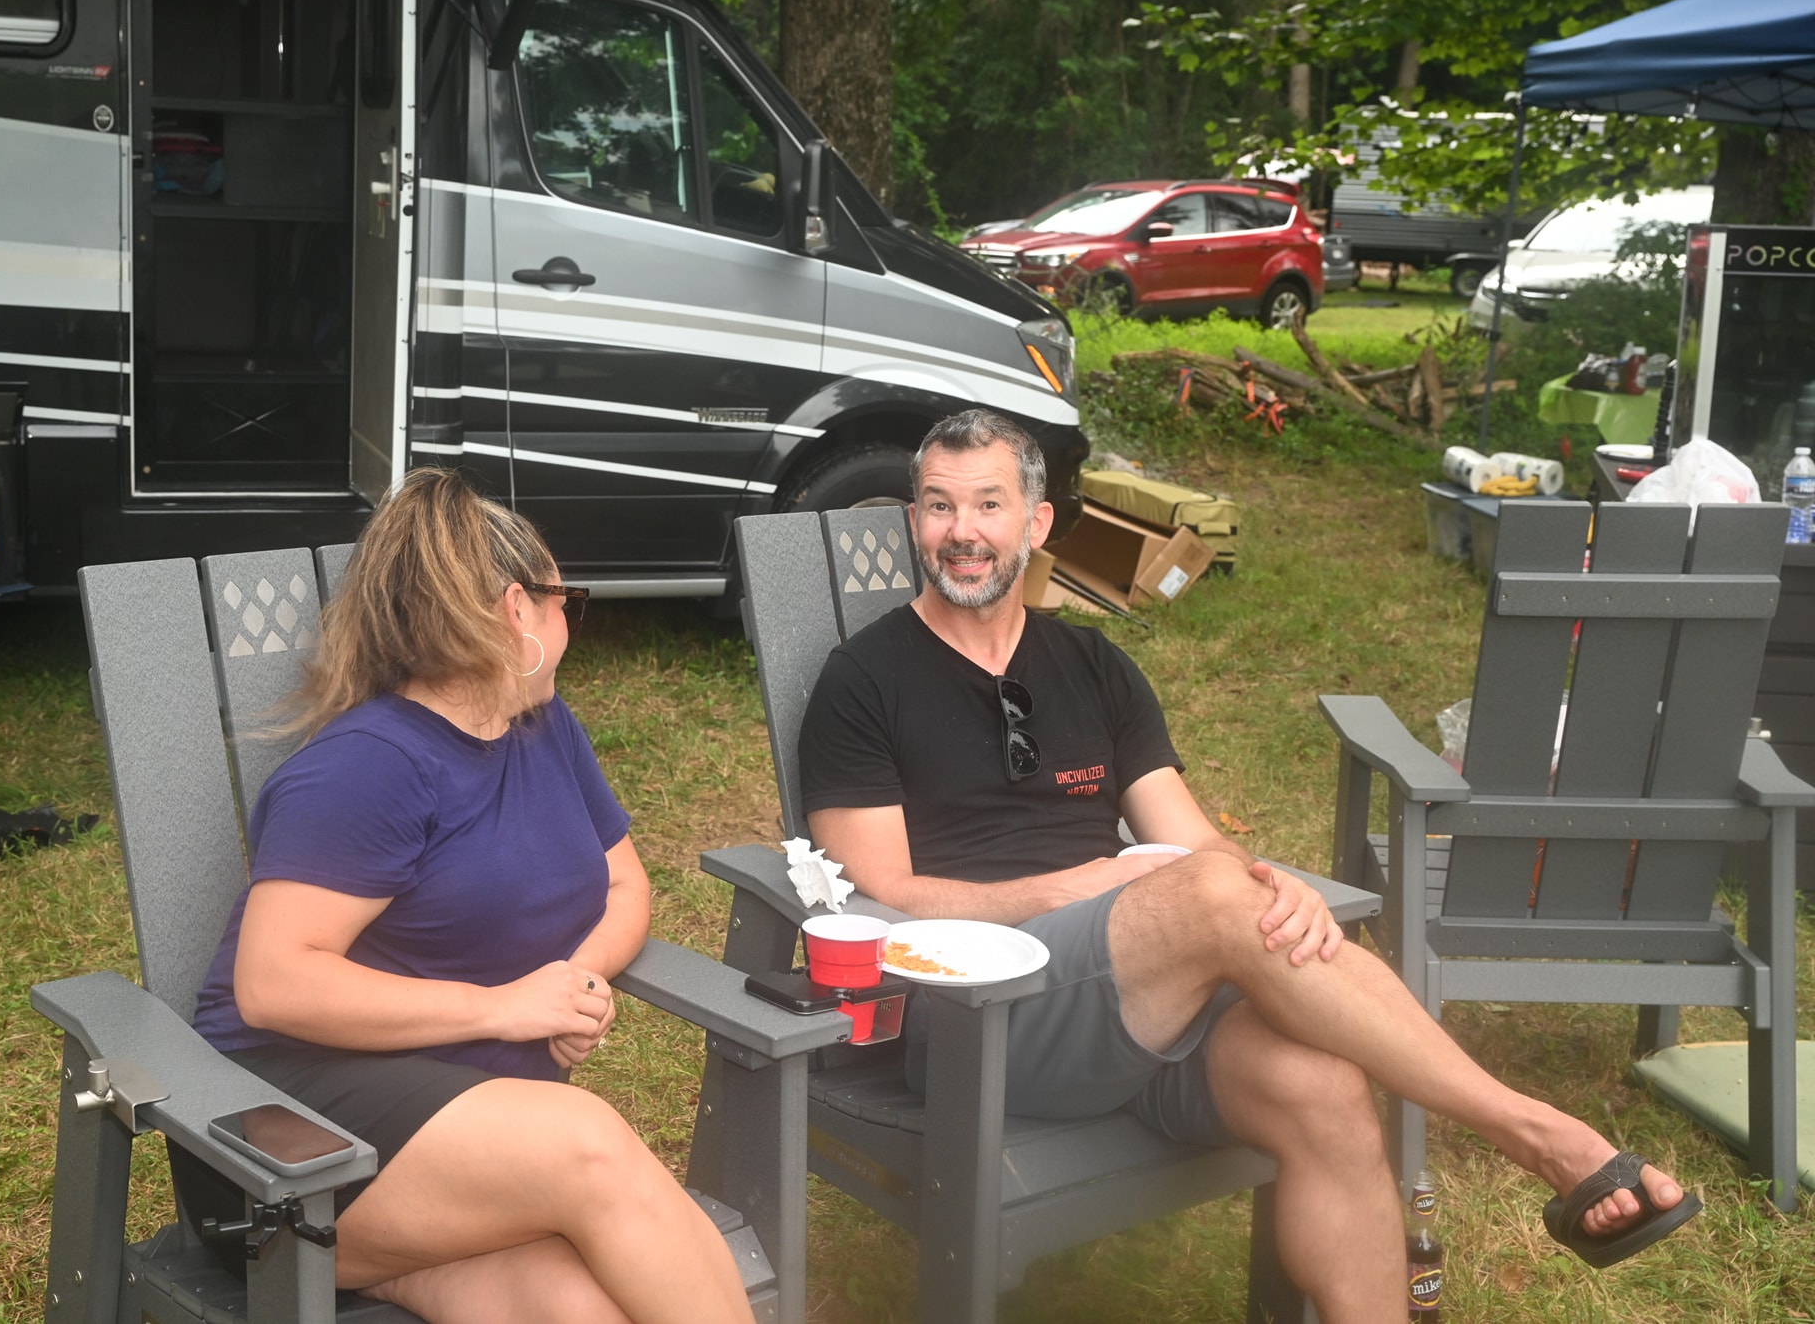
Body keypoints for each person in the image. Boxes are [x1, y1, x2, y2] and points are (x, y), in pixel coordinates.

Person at [797, 410, 1701, 1324]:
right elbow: (883, 895)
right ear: (914, 520)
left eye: (988, 504)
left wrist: (1273, 885)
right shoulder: (864, 681)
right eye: (939, 506)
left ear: (1035, 524)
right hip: (981, 1020)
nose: (962, 531)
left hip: (1144, 993)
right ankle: (1540, 1135)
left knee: (1327, 1090)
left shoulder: (1093, 663)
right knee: (1207, 894)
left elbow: (1194, 842)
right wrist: (1080, 889)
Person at [188, 468, 751, 1324]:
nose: (574, 624)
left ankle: (393, 1271)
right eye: (571, 601)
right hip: (290, 1140)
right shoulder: (370, 765)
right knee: (593, 1149)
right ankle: (374, 1260)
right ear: (516, 611)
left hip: (466, 1145)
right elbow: (273, 982)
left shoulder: (542, 726)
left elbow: (625, 882)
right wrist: (503, 1008)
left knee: (582, 1305)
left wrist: (575, 983)